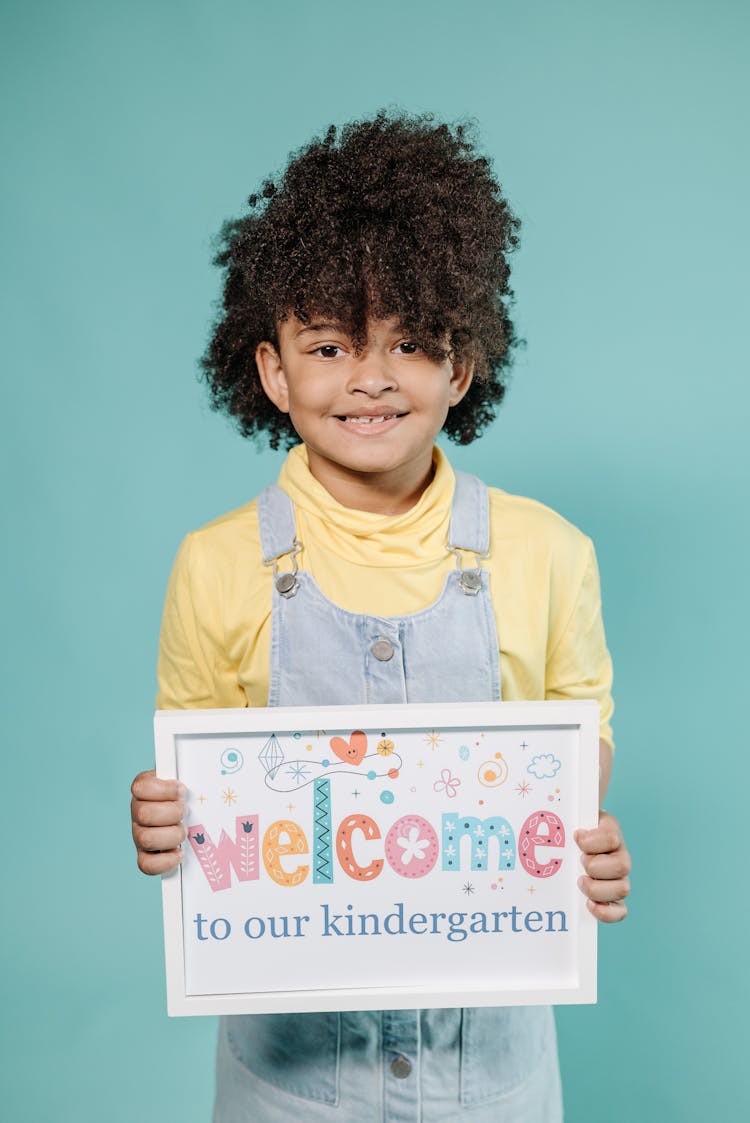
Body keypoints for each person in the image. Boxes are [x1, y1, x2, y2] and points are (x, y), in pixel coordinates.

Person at [130, 111, 631, 1122]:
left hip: (489, 1067)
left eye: (408, 340)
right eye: (328, 343)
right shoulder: (215, 565)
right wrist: (165, 822)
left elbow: (583, 734)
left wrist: (576, 840)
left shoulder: (549, 554)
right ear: (271, 369)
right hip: (288, 1076)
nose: (369, 376)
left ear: (460, 363)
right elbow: (203, 784)